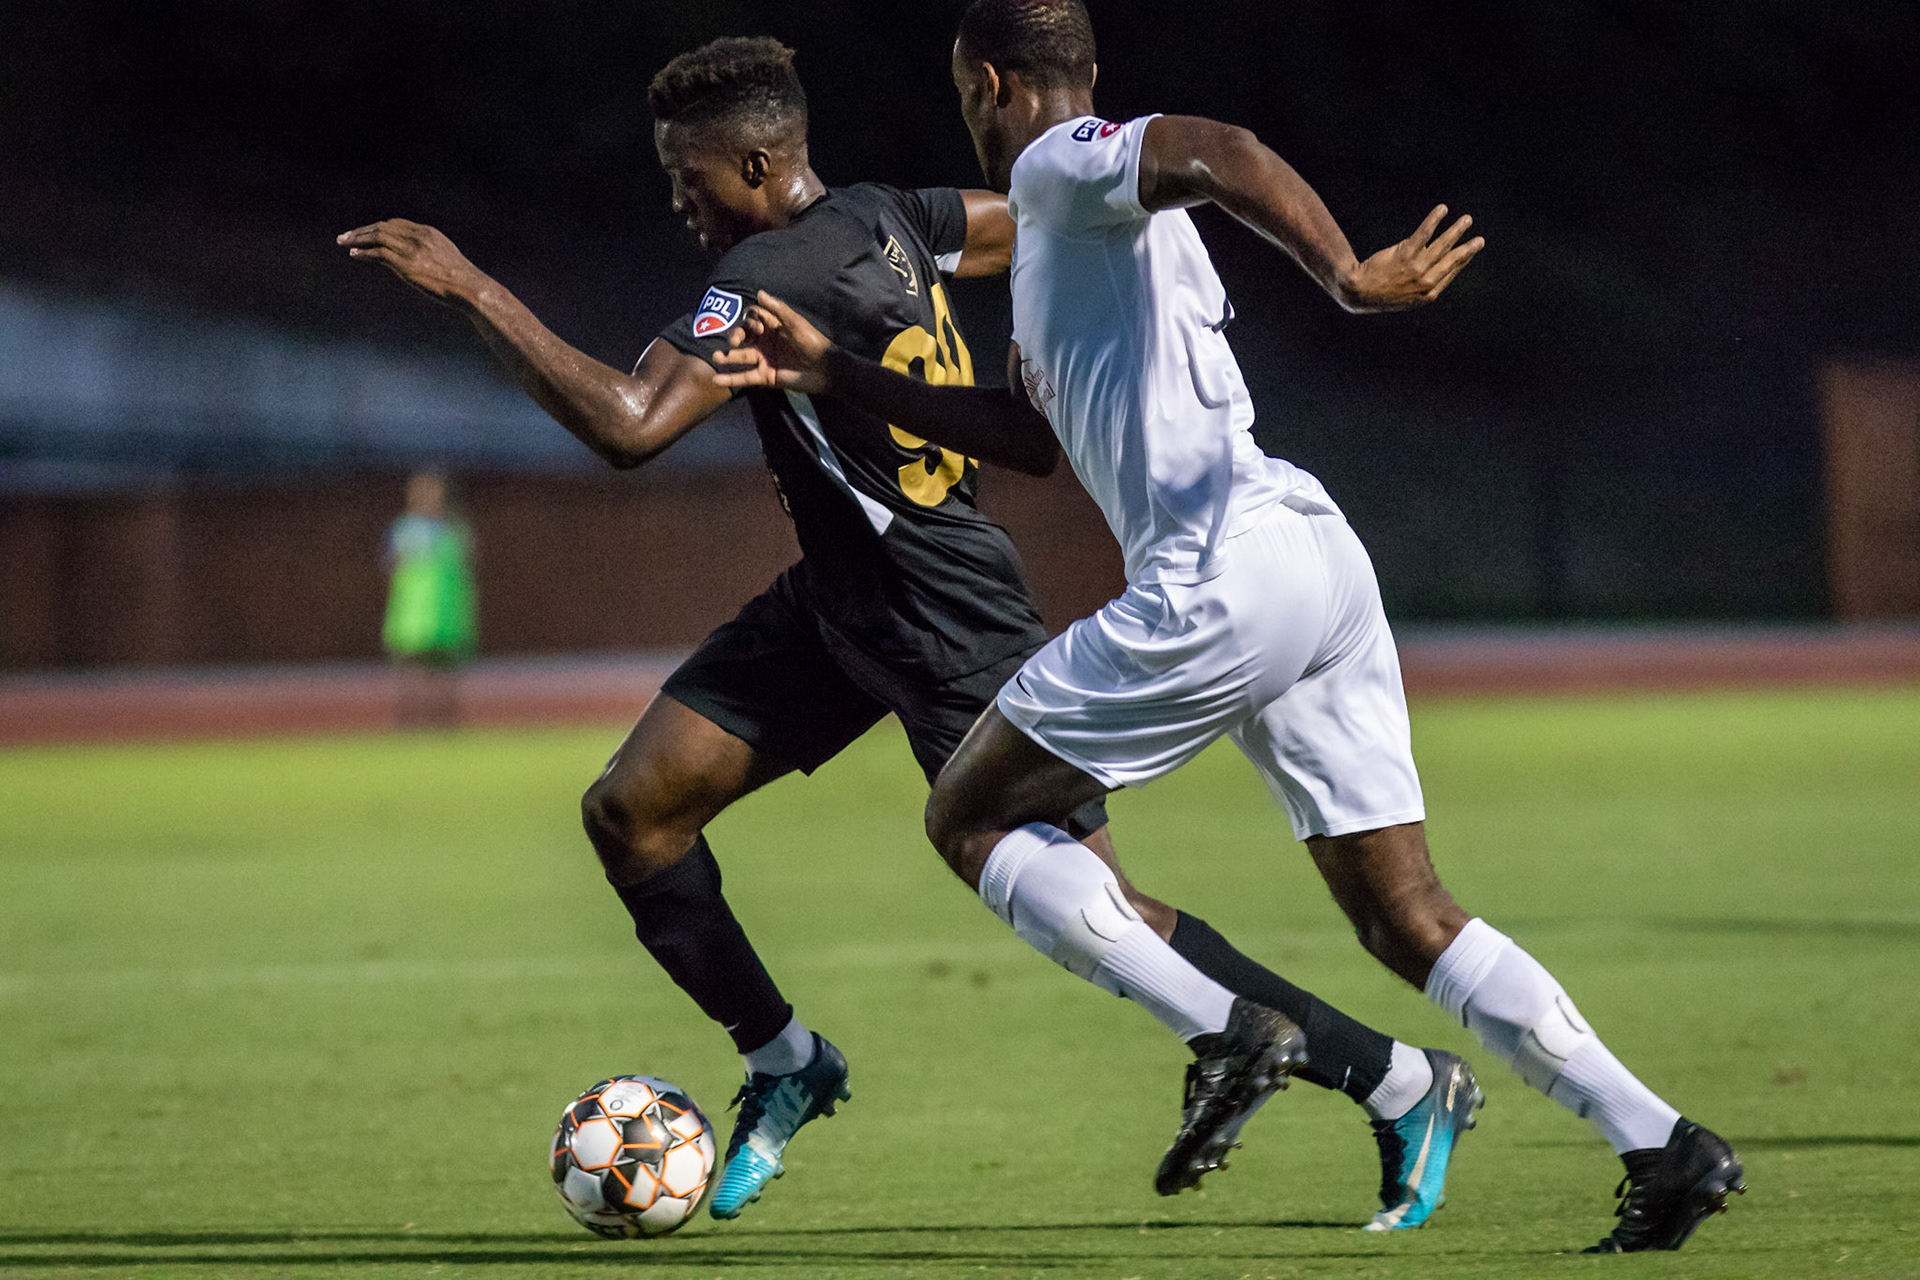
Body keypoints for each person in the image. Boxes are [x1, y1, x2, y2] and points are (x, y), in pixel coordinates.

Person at [341, 35, 1463, 1228]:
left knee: (1109, 915)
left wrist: (474, 289)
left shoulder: (767, 270)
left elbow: (629, 423)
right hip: (837, 602)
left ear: (762, 161)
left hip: (941, 608)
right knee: (634, 809)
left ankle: (1398, 1083)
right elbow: (1042, 218)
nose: (679, 203)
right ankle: (787, 1062)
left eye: (691, 179)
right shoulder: (892, 214)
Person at [713, 0, 1745, 1253]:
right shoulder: (1072, 236)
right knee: (1405, 911)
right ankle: (1664, 1142)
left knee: (971, 814)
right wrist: (838, 372)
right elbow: (1032, 439)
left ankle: (1222, 1026)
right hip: (1310, 550)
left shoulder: (1055, 161)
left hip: (1216, 573)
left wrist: (1352, 278)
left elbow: (1224, 148)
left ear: (992, 83)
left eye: (962, 96)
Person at [382, 468, 477, 727]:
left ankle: (447, 724)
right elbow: (392, 566)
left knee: (446, 673)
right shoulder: (402, 531)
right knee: (413, 672)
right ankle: (412, 723)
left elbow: (466, 568)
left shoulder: (455, 530)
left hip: (446, 615)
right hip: (411, 616)